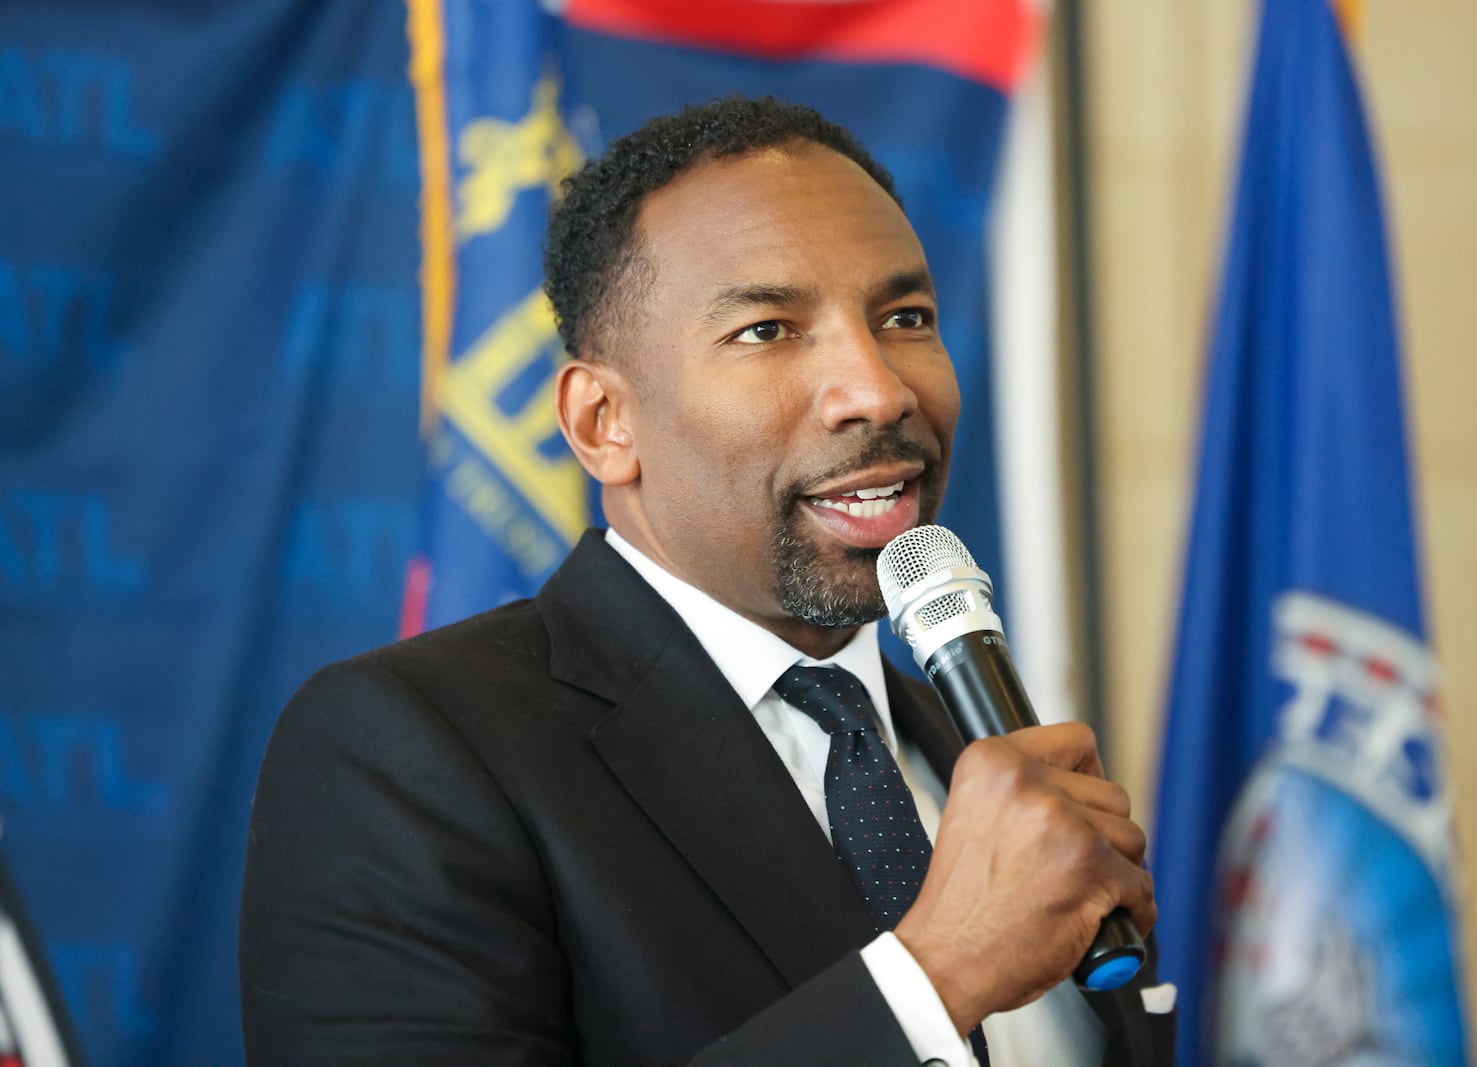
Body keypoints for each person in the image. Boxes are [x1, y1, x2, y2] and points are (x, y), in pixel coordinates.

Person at [239, 96, 1172, 1066]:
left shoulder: (965, 745)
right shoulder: (402, 753)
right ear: (604, 421)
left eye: (904, 317)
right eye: (769, 330)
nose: (879, 389)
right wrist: (937, 973)